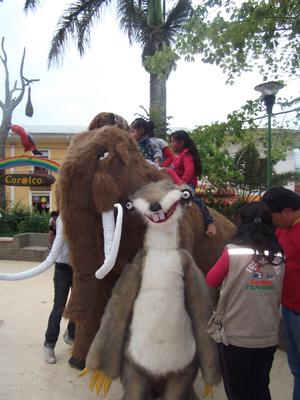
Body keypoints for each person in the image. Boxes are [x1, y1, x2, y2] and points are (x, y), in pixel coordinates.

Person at [206, 201, 284, 400]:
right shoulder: (278, 255)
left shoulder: (233, 252)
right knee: (260, 388)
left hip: (235, 336)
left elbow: (211, 280)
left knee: (238, 391)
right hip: (267, 334)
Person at [262, 186, 300, 400]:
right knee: (296, 367)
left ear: (286, 210)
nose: (272, 221)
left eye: (274, 216)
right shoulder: (283, 229)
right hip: (288, 309)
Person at [169, 130, 216, 236]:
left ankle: (210, 222)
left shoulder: (187, 154)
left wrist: (182, 182)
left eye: (173, 141)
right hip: (177, 184)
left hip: (187, 183)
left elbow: (189, 170)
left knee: (193, 198)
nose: (171, 144)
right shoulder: (178, 156)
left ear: (181, 143)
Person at [43, 215, 76, 366]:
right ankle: (49, 345)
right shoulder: (65, 216)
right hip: (63, 267)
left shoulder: (87, 213)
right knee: (59, 307)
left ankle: (71, 333)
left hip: (79, 268)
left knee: (78, 305)